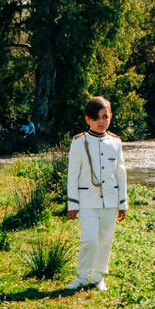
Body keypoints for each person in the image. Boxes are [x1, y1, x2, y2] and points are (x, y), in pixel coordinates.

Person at [66, 96, 127, 291]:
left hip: (110, 201)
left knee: (105, 239)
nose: (102, 122)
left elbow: (120, 173)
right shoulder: (78, 143)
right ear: (88, 119)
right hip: (87, 201)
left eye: (105, 117)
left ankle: (98, 277)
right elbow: (73, 175)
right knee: (89, 239)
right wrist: (72, 204)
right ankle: (82, 277)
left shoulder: (116, 143)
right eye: (97, 118)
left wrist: (123, 203)